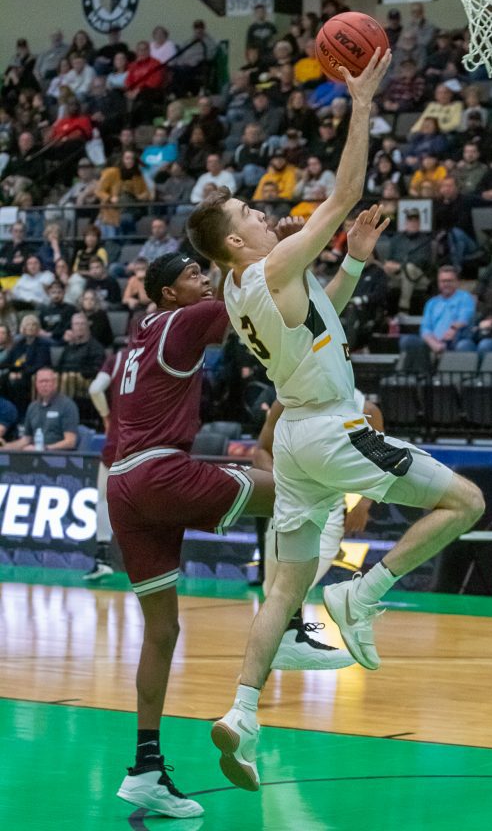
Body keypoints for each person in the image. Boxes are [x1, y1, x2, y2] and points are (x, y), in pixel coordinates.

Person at [187, 48, 484, 791]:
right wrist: (363, 99)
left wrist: (351, 262)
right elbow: (346, 189)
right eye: (248, 214)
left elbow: (319, 322)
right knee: (466, 502)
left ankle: (242, 714)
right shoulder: (271, 266)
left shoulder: (240, 289)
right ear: (235, 242)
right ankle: (362, 592)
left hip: (294, 442)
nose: (261, 212)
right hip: (331, 429)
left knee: (283, 590)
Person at [108, 252, 278, 818]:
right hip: (160, 471)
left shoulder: (140, 335)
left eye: (204, 273)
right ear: (169, 294)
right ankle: (292, 623)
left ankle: (145, 768)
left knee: (162, 631)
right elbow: (244, 291)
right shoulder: (183, 320)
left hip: (124, 483)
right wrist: (252, 247)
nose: (203, 280)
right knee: (292, 490)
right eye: (192, 276)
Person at [254, 390, 384, 670]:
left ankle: (274, 657)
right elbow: (261, 450)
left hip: (329, 509)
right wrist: (279, 481)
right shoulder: (287, 400)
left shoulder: (366, 410)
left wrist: (364, 503)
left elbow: (380, 461)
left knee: (290, 589)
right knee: (276, 591)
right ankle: (284, 647)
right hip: (288, 505)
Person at [86, 349, 126, 580]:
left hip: (119, 437)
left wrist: (106, 416)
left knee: (103, 498)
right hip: (152, 438)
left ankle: (103, 559)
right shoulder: (162, 353)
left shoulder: (118, 357)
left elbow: (94, 389)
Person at [398, 265, 476, 371]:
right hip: (434, 342)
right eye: (443, 281)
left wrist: (453, 329)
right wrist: (434, 344)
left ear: (457, 282)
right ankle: (422, 376)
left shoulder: (465, 297)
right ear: (438, 283)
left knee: (464, 344)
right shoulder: (432, 303)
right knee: (408, 340)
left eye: (449, 281)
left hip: (456, 340)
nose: (446, 284)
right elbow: (425, 328)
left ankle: (457, 378)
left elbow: (465, 317)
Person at [0, 368, 79, 452]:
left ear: (55, 383)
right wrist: (5, 448)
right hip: (35, 456)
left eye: (47, 381)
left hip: (59, 457)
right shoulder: (32, 407)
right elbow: (26, 439)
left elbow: (71, 442)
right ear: (36, 385)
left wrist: (44, 449)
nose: (44, 384)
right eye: (41, 381)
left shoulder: (67, 405)